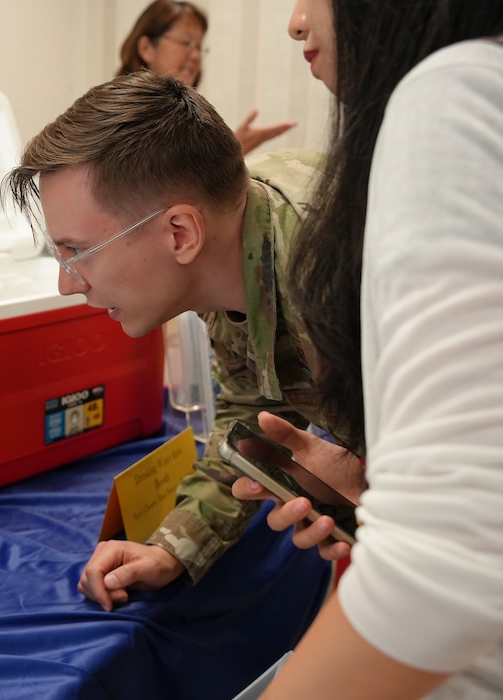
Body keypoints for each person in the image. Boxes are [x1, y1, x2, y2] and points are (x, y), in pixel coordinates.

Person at [232, 1, 503, 697]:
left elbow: (449, 568)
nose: (296, 22)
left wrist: (419, 526)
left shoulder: (455, 92)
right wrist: (378, 494)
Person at [2, 69, 333, 612]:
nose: (67, 282)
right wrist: (173, 546)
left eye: (77, 252)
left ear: (180, 233)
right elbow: (257, 402)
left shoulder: (335, 290)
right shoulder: (225, 247)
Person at [117, 0, 296, 154]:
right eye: (186, 43)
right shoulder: (118, 117)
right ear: (146, 48)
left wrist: (230, 152)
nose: (196, 56)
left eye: (199, 46)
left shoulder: (191, 118)